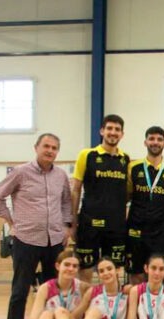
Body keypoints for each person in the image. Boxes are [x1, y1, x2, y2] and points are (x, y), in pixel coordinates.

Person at [0, 133, 72, 319]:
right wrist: (10, 221)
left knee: (53, 292)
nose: (50, 151)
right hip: (26, 239)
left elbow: (66, 202)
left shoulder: (61, 176)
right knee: (20, 290)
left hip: (54, 240)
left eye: (54, 148)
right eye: (46, 146)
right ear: (36, 147)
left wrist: (66, 227)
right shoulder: (20, 172)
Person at [70, 114, 130, 281]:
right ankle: (86, 306)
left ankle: (112, 306)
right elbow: (76, 190)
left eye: (117, 129)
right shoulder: (86, 155)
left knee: (114, 270)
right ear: (102, 131)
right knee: (85, 268)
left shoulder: (125, 159)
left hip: (116, 225)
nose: (113, 132)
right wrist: (73, 221)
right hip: (89, 223)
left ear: (122, 134)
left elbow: (125, 193)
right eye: (109, 128)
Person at [126, 126, 164, 284]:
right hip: (136, 229)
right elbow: (127, 196)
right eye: (151, 139)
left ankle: (162, 308)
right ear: (145, 142)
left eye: (159, 139)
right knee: (136, 274)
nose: (155, 142)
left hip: (162, 231)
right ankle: (137, 308)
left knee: (161, 274)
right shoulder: (133, 167)